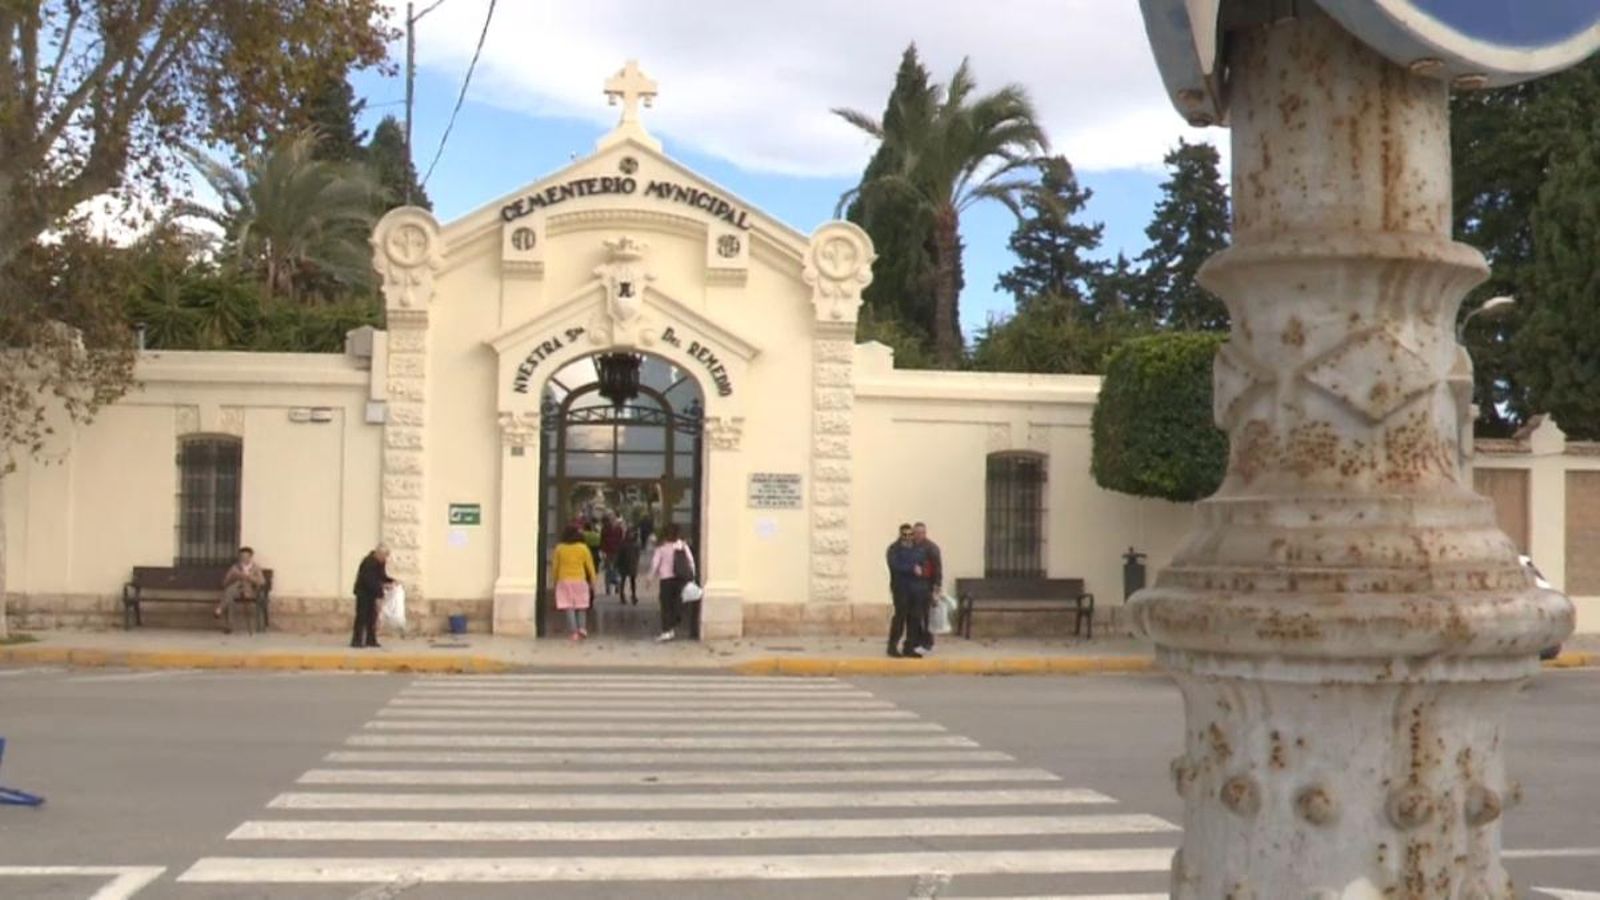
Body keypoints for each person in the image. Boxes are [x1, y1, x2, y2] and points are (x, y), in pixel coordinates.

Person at [886, 523, 932, 658]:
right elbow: (895, 566)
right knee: (900, 618)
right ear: (900, 535)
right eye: (905, 534)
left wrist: (922, 574)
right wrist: (911, 569)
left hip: (917, 590)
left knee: (914, 619)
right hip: (901, 589)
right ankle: (892, 646)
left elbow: (924, 565)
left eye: (910, 534)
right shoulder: (894, 549)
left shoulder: (918, 549)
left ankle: (909, 647)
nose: (908, 537)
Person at [648, 523, 695, 642]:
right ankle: (674, 622)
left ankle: (666, 630)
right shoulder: (682, 546)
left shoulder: (661, 547)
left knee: (666, 606)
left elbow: (655, 564)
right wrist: (692, 577)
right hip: (680, 579)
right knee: (677, 603)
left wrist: (650, 578)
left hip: (666, 580)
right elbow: (690, 561)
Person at [551, 524, 598, 641]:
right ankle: (582, 628)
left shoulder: (560, 548)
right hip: (580, 580)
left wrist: (554, 580)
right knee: (581, 606)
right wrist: (593, 581)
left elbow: (555, 567)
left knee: (568, 607)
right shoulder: (583, 548)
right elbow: (590, 566)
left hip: (564, 580)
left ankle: (574, 631)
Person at [215, 546, 265, 635]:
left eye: (246, 556)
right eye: (242, 556)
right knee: (231, 594)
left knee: (231, 592)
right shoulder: (235, 567)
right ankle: (229, 626)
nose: (244, 558)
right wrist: (234, 576)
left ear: (250, 557)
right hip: (236, 591)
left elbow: (262, 582)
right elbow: (224, 582)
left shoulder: (256, 568)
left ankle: (219, 609)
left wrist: (250, 577)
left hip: (249, 591)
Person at [351, 544, 395, 649]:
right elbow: (369, 580)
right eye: (384, 556)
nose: (385, 558)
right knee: (361, 617)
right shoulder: (368, 562)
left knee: (372, 617)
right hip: (363, 592)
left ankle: (371, 640)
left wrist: (391, 581)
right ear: (378, 554)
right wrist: (382, 588)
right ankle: (357, 640)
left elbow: (381, 576)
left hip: (372, 593)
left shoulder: (380, 562)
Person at [913, 522, 944, 655]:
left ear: (925, 533)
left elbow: (937, 569)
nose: (919, 535)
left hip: (926, 586)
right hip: (913, 587)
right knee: (914, 615)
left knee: (926, 616)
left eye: (921, 532)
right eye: (916, 533)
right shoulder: (911, 547)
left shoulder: (932, 548)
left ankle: (927, 642)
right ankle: (916, 640)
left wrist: (936, 588)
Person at [599, 515, 626, 596]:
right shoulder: (613, 529)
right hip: (610, 552)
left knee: (611, 570)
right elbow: (602, 540)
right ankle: (612, 587)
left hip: (612, 552)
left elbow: (602, 541)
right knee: (612, 570)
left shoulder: (608, 529)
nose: (612, 522)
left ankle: (612, 587)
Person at [615, 526, 641, 605]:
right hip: (624, 564)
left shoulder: (636, 543)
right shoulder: (623, 543)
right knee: (623, 580)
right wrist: (617, 563)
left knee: (632, 581)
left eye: (632, 533)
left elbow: (638, 555)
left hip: (632, 564)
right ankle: (622, 595)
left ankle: (633, 595)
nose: (631, 535)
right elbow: (619, 554)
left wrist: (636, 563)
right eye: (630, 533)